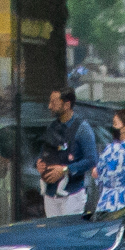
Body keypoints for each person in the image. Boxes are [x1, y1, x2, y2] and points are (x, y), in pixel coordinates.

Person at [37, 87, 99, 218]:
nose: (49, 106)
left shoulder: (82, 129)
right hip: (50, 193)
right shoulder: (51, 127)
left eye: (54, 102)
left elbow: (91, 159)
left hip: (72, 193)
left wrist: (66, 169)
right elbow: (44, 151)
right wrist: (39, 163)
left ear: (67, 104)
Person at [93, 107, 125, 213]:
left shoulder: (112, 149)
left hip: (110, 201)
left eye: (115, 123)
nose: (113, 127)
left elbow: (100, 175)